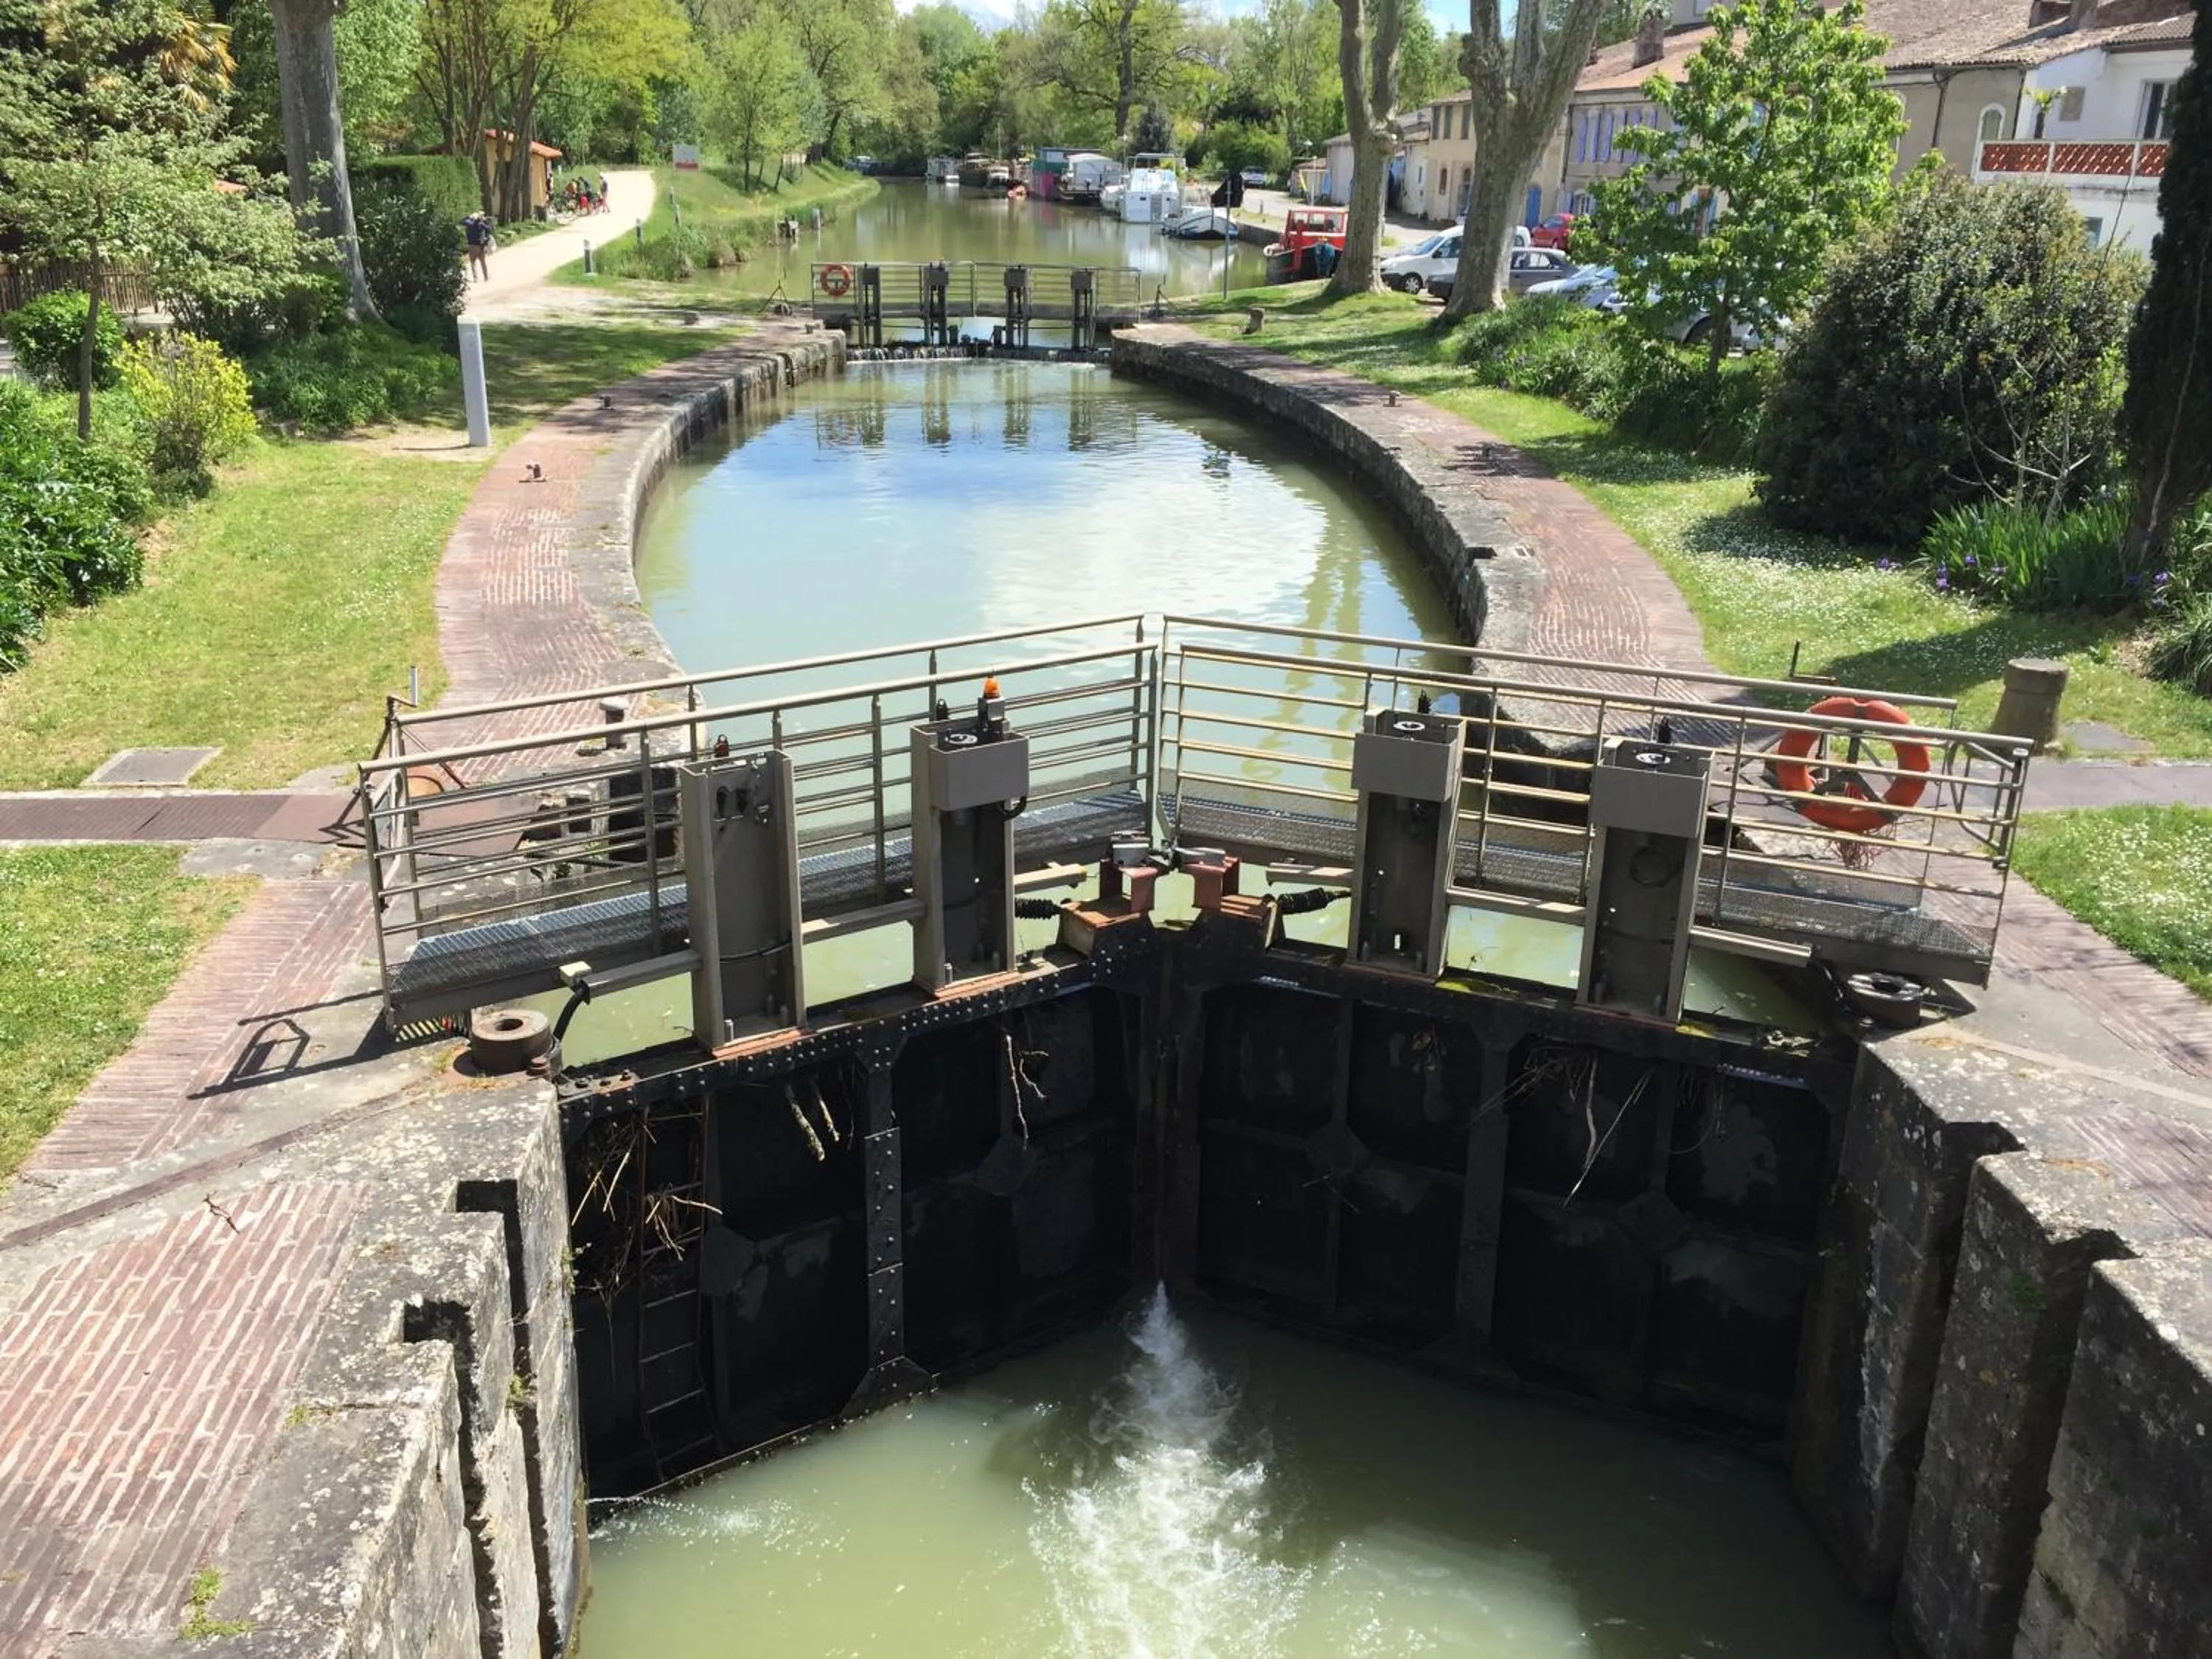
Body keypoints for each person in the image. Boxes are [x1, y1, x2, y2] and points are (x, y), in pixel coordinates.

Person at [463, 212, 490, 282]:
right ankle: (486, 277)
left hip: (472, 245)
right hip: (481, 245)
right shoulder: (481, 224)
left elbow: (462, 220)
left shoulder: (469, 224)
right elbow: (488, 228)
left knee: (473, 263)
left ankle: (476, 278)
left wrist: (468, 216)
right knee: (483, 262)